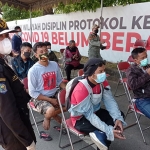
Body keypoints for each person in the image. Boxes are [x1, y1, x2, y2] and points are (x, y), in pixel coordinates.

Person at [69, 58, 126, 150]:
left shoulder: (102, 82)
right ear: (91, 73)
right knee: (106, 130)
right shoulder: (81, 89)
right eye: (100, 71)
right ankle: (101, 140)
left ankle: (101, 140)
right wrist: (109, 130)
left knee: (119, 117)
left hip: (96, 112)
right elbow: (89, 115)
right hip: (81, 119)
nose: (103, 74)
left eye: (104, 70)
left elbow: (110, 101)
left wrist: (117, 118)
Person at [0, 19, 36, 150]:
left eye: (6, 35)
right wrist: (27, 141)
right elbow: (7, 111)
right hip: (14, 135)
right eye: (1, 36)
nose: (6, 39)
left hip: (17, 126)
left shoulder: (2, 62)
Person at [28, 42, 66, 137]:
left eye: (46, 50)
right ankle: (48, 117)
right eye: (41, 52)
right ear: (36, 55)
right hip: (40, 98)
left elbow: (59, 81)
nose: (44, 53)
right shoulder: (33, 70)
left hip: (54, 93)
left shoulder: (54, 64)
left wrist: (68, 90)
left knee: (72, 102)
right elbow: (32, 93)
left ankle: (50, 116)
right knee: (50, 110)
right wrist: (50, 100)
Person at [126, 47, 150, 118]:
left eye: (146, 57)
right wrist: (147, 74)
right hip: (142, 99)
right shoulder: (131, 70)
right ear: (135, 60)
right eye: (142, 58)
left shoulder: (148, 66)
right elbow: (133, 85)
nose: (145, 59)